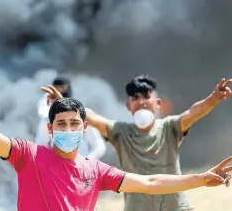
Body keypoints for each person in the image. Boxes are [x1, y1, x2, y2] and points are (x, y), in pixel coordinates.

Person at [0, 59, 232, 211]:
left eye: (74, 123)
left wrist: (202, 178)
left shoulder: (95, 171)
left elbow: (150, 181)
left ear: (84, 129)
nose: (68, 129)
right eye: (61, 124)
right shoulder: (28, 155)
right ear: (50, 128)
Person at [71, 74, 231, 211]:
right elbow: (92, 117)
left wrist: (213, 98)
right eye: (135, 98)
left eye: (146, 96)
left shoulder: (170, 127)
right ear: (128, 105)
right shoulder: (119, 131)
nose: (141, 102)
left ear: (158, 103)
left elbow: (194, 112)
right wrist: (66, 104)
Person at [36, 77, 107, 160]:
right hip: (59, 168)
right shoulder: (47, 118)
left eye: (62, 88)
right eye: (61, 123)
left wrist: (87, 161)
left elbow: (99, 146)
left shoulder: (83, 114)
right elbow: (41, 145)